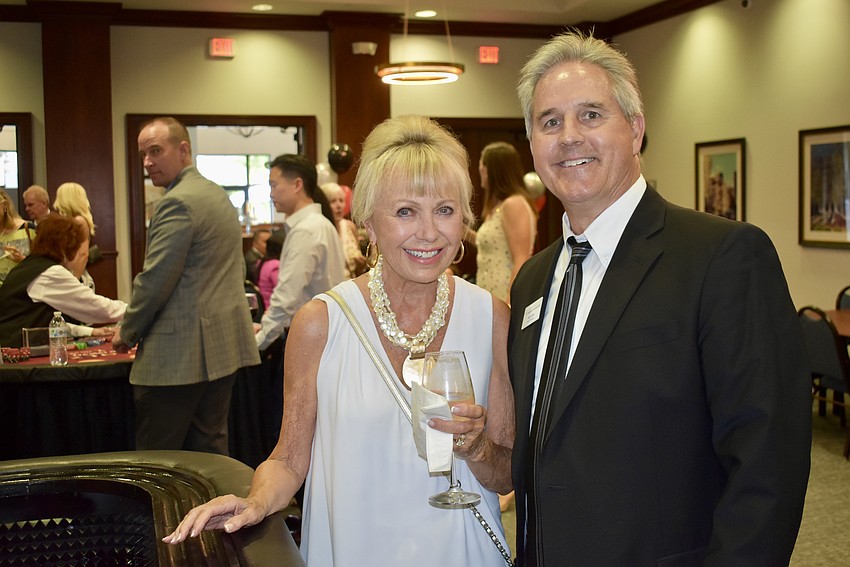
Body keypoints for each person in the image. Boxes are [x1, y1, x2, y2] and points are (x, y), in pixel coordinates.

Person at [508, 31, 811, 566]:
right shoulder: (533, 281)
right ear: (532, 143)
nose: (568, 137)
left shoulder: (722, 258)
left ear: (636, 129)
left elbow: (768, 465)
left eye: (592, 115)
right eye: (549, 121)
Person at [164, 115, 515, 566]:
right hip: (356, 548)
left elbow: (505, 474)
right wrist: (254, 502)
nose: (429, 232)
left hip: (463, 551)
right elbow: (289, 459)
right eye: (405, 211)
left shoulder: (491, 318)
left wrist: (477, 446)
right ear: (367, 220)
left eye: (445, 210)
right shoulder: (321, 323)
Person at [112, 116, 260, 455]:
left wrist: (127, 330)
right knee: (210, 454)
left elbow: (155, 281)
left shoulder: (177, 202)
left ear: (183, 150)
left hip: (177, 356)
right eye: (142, 155)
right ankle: (215, 511)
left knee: (157, 461)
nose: (147, 162)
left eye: (155, 151)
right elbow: (234, 267)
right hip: (221, 348)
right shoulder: (217, 195)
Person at [253, 154, 346, 352]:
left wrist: (259, 342)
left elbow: (287, 296)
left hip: (312, 339)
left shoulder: (307, 229)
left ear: (297, 185)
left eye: (274, 185)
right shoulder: (321, 224)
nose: (271, 194)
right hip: (324, 333)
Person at [0, 214, 125, 347]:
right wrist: (139, 311)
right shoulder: (49, 274)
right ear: (65, 245)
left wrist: (91, 331)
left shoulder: (28, 267)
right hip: (14, 356)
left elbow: (49, 322)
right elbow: (94, 306)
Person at [469, 141, 537, 303]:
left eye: (482, 169)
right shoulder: (498, 207)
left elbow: (521, 258)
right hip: (489, 294)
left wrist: (510, 302)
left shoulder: (514, 204)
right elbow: (494, 247)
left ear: (492, 171)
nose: (481, 175)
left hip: (504, 295)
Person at [53, 181, 98, 289]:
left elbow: (83, 254)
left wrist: (74, 281)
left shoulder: (79, 221)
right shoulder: (73, 221)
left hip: (75, 278)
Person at [320, 181, 367, 278]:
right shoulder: (320, 230)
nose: (339, 206)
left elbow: (358, 271)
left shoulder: (350, 227)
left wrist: (362, 265)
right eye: (333, 201)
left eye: (341, 201)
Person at [0, 187, 36, 287]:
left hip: (23, 290)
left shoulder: (27, 229)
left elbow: (42, 262)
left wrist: (22, 259)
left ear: (4, 206)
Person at [256, 229, 284, 310]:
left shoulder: (262, 262)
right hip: (273, 308)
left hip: (265, 305)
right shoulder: (275, 265)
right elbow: (282, 288)